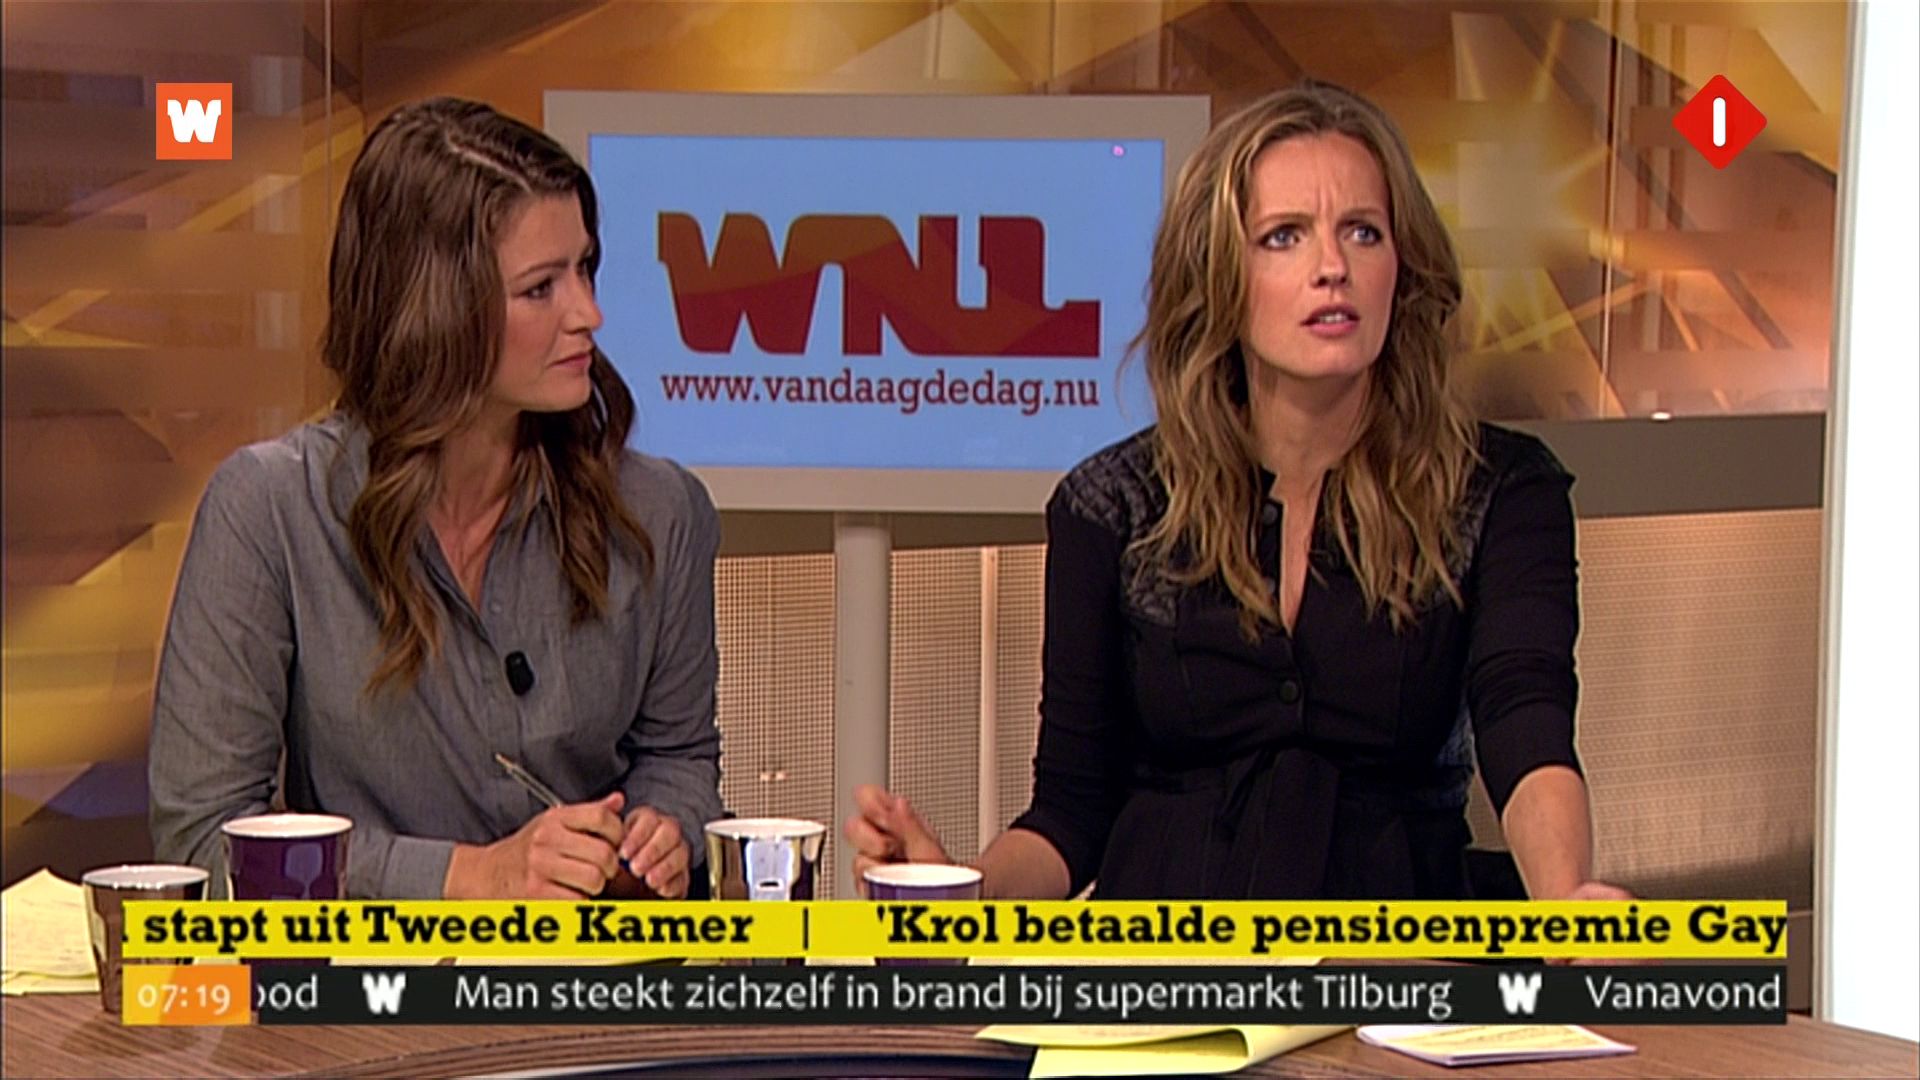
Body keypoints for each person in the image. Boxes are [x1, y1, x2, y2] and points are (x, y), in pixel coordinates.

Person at [848, 81, 1629, 904]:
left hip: (1401, 954)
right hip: (1163, 958)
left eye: (1363, 231)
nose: (1333, 268)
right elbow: (1071, 810)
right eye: (1284, 237)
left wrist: (1566, 903)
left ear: (1403, 268)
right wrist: (957, 893)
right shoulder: (1114, 507)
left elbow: (1525, 723)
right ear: (1218, 274)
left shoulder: (1498, 490)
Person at [149, 97, 724, 901]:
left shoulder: (661, 512)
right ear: (434, 308)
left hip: (589, 970)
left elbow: (681, 759)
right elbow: (203, 840)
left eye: (585, 268)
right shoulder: (270, 514)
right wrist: (470, 875)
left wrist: (665, 828)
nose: (588, 314)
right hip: (362, 978)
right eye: (540, 288)